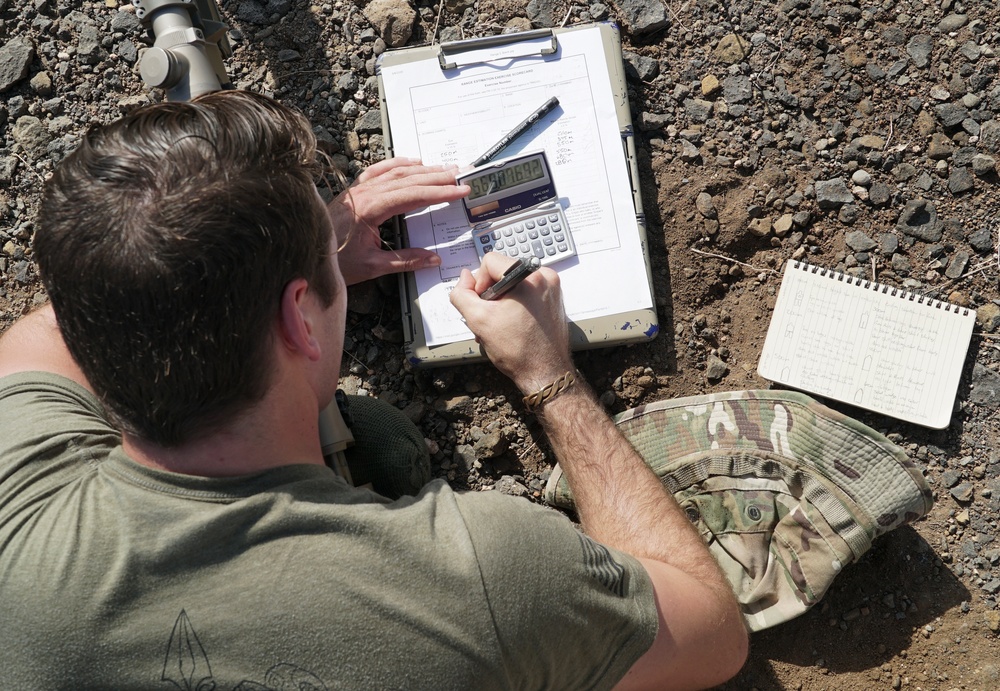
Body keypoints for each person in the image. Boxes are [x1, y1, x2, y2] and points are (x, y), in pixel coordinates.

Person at [0, 90, 747, 689]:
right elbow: (710, 631)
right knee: (386, 444)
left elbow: (37, 337)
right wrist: (549, 377)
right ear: (300, 318)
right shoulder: (481, 574)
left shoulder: (18, 505)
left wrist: (268, 256)